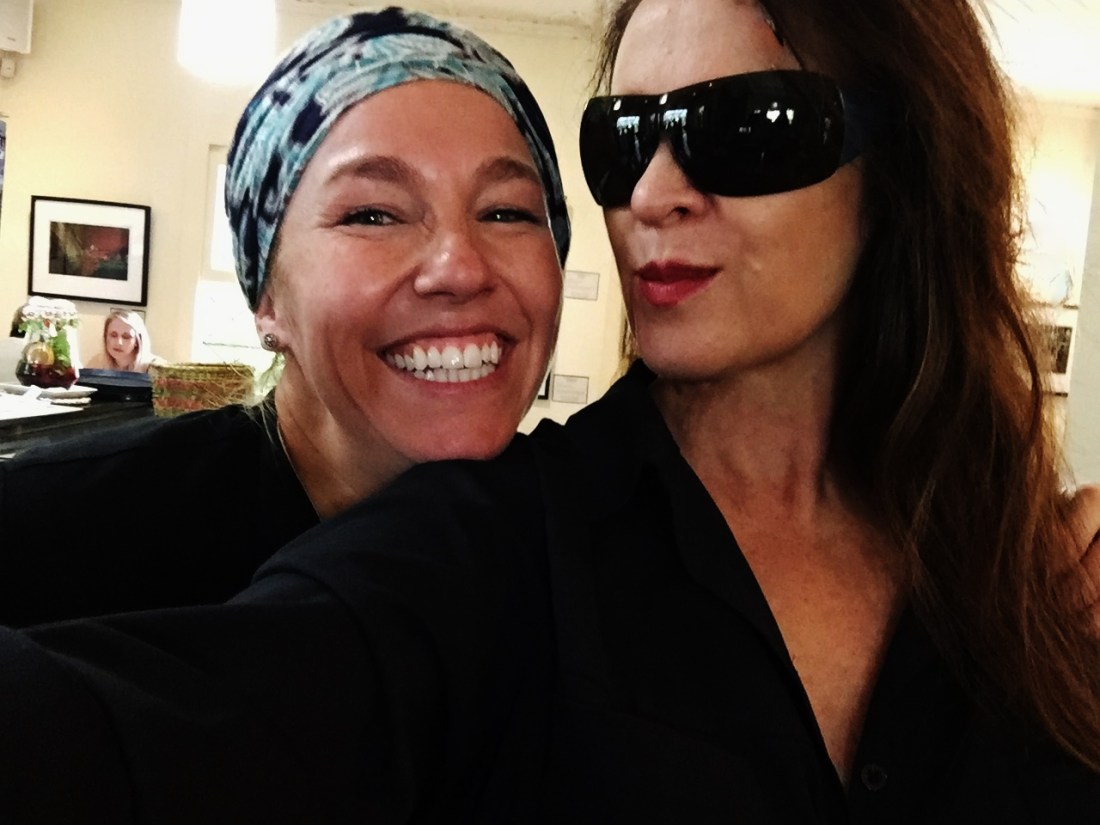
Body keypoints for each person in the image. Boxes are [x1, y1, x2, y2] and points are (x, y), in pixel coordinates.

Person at [0, 1, 1099, 822]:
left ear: (907, 166)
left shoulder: (1019, 559)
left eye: (748, 126)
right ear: (266, 296)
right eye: (623, 139)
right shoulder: (490, 547)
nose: (653, 192)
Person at [0, 8, 568, 627]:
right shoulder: (49, 535)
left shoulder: (587, 553)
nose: (460, 269)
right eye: (373, 215)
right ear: (268, 299)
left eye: (507, 212)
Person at [82, 309, 162, 373]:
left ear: (137, 341)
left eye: (126, 337)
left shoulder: (157, 368)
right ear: (105, 337)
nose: (119, 342)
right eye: (113, 335)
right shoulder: (96, 363)